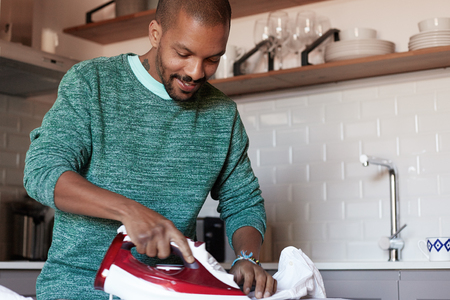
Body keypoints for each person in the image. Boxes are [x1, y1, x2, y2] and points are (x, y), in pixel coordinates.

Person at [24, 0, 276, 299]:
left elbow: (243, 201)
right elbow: (42, 171)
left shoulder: (222, 115)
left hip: (171, 291)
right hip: (78, 289)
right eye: (183, 53)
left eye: (212, 59)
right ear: (155, 34)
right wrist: (130, 212)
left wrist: (247, 258)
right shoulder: (92, 83)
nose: (196, 72)